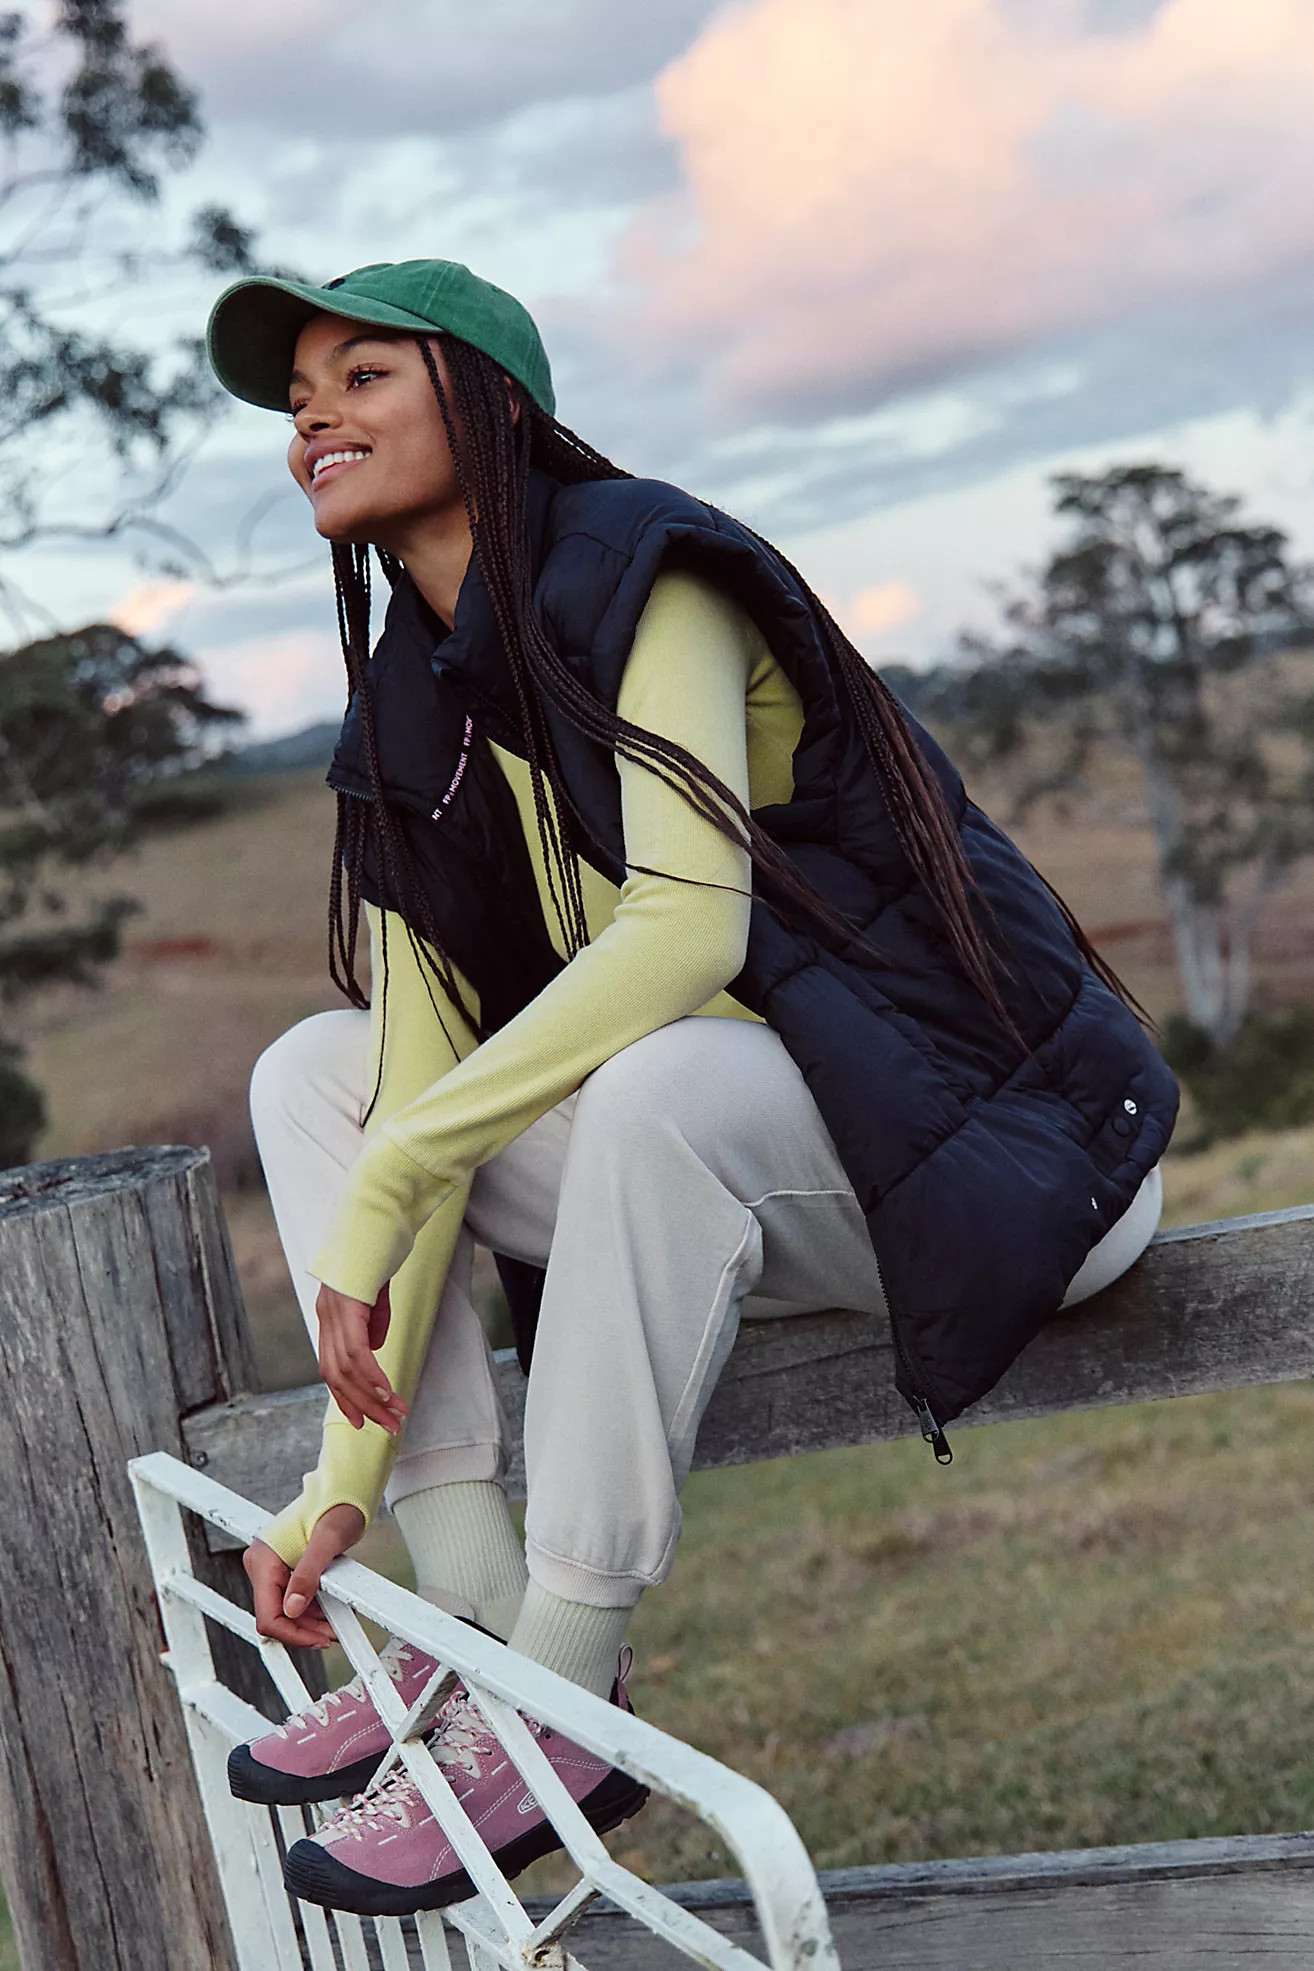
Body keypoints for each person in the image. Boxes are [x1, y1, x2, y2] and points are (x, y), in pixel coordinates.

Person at [203, 259, 1177, 1917]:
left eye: (362, 377)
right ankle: (472, 1626)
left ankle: (562, 1690)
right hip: (764, 1170)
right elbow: (414, 1087)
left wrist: (400, 1172)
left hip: (1007, 1164)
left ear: (487, 401)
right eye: (299, 401)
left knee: (650, 1076)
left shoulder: (650, 572)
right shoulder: (409, 707)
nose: (314, 420)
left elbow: (686, 926)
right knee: (316, 1072)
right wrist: (336, 1486)